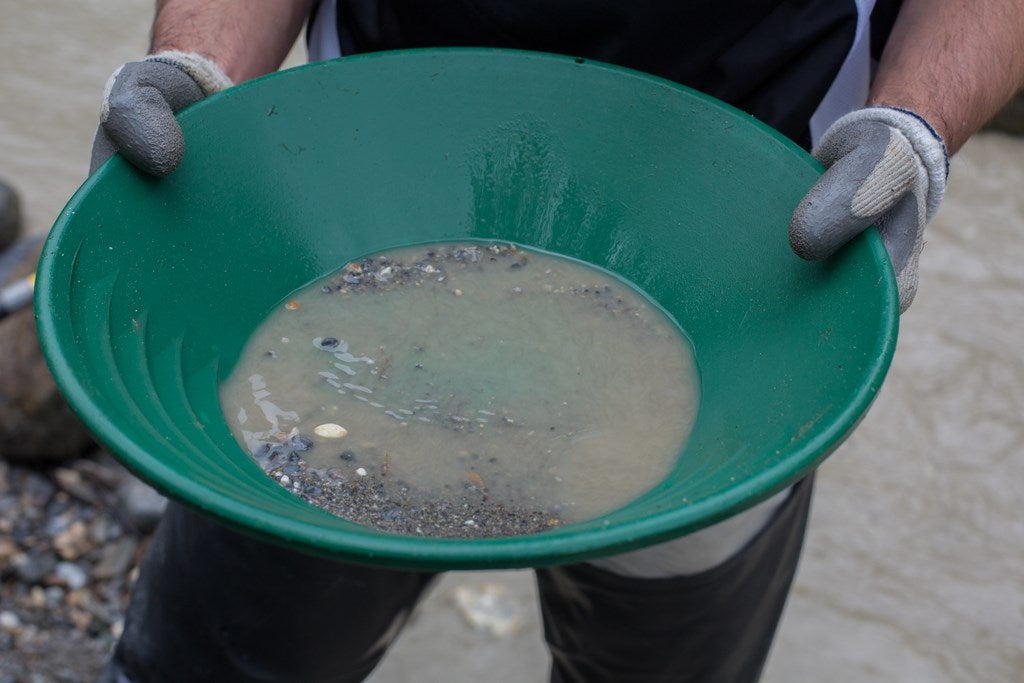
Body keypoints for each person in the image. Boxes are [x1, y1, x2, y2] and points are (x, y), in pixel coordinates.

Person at [88, 1, 1024, 681]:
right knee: (210, 663)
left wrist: (918, 124)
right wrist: (201, 70)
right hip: (356, 209)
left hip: (743, 257)